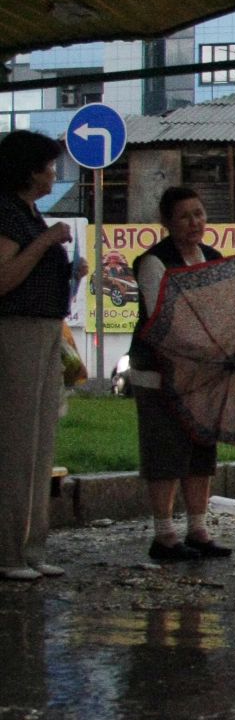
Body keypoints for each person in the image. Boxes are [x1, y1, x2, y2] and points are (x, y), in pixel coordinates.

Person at [0, 131, 87, 582]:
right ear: (30, 170)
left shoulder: (30, 213)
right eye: (50, 167)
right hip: (16, 330)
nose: (55, 174)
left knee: (39, 440)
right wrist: (46, 242)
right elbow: (4, 277)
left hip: (43, 327)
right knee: (15, 442)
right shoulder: (9, 215)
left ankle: (31, 545)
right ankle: (8, 549)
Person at [130, 186, 230, 563]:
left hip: (204, 375)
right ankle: (164, 534)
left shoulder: (213, 259)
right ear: (167, 222)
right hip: (159, 373)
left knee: (200, 451)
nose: (195, 223)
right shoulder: (154, 262)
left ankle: (198, 529)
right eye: (185, 216)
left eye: (200, 214)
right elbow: (161, 319)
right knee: (164, 451)